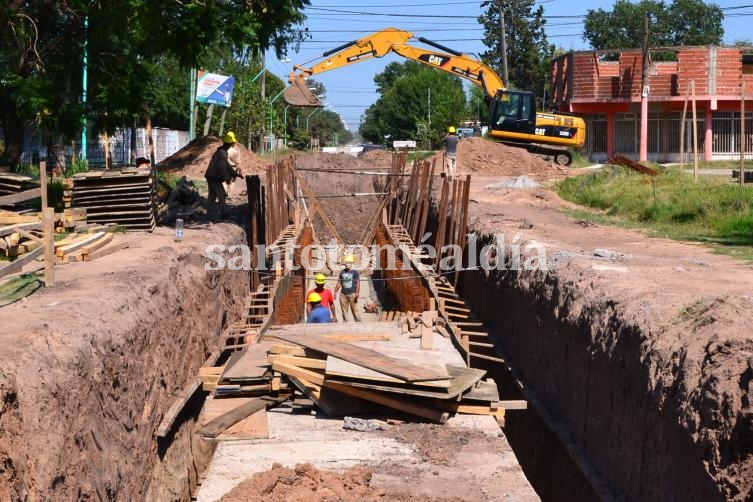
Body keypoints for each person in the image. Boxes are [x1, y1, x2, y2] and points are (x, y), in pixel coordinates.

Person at [204, 132, 241, 219]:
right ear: (231, 143)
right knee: (222, 194)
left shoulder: (221, 152)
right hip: (214, 177)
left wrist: (234, 173)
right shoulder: (222, 153)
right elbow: (222, 167)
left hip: (210, 176)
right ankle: (224, 214)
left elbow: (227, 165)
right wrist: (227, 178)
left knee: (212, 195)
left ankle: (209, 214)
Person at [334, 255, 361, 322]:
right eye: (346, 262)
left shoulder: (355, 272)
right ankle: (346, 326)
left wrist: (357, 293)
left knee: (355, 312)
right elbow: (339, 283)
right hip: (343, 295)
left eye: (348, 262)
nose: (346, 264)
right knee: (344, 312)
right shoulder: (342, 272)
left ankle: (359, 325)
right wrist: (335, 292)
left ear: (352, 263)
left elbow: (358, 283)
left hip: (352, 294)